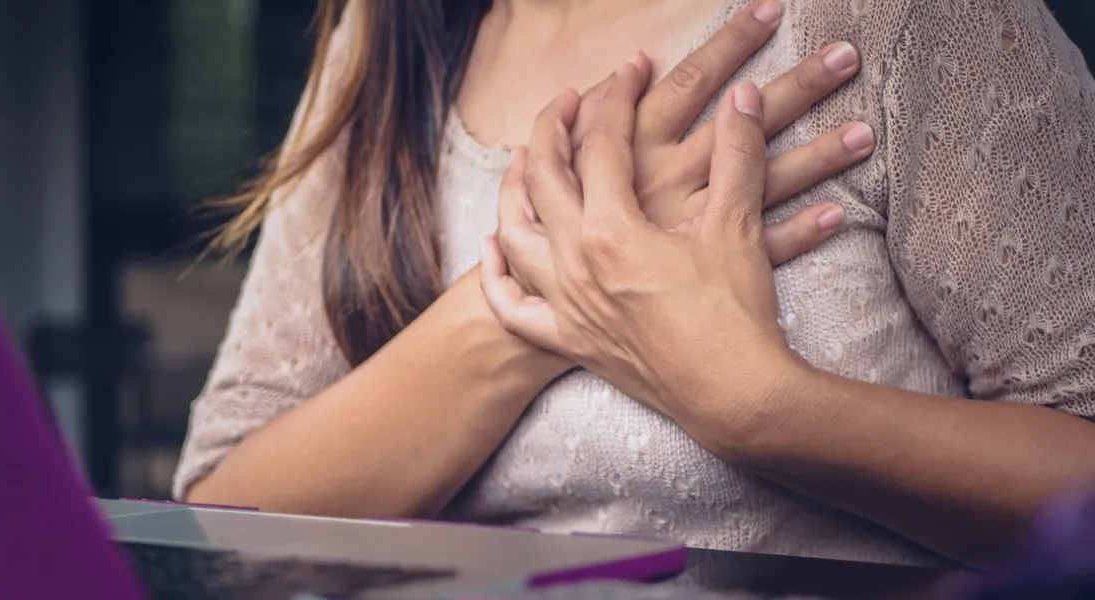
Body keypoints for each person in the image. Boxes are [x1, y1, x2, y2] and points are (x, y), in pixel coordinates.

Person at [174, 0, 1095, 572]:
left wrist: (757, 410)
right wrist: (533, 298)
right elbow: (220, 529)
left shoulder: (903, 21)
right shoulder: (381, 58)